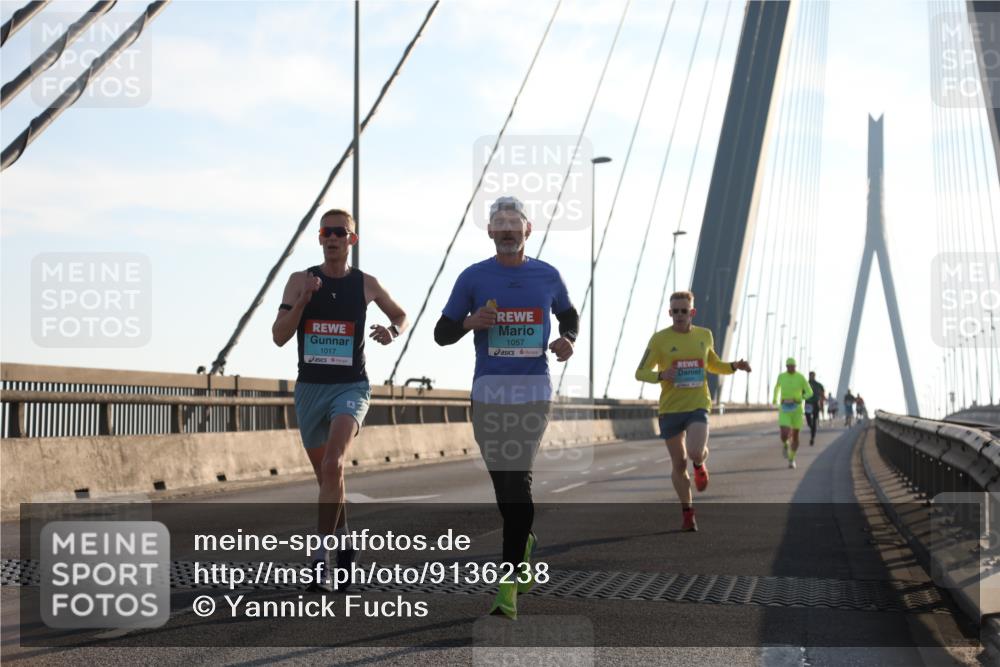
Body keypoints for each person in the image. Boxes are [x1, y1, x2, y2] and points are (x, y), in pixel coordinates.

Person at [435, 195, 578, 620]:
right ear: (491, 233)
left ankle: (508, 586)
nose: (508, 230)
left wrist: (568, 339)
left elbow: (569, 314)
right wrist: (468, 323)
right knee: (505, 490)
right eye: (500, 224)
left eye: (515, 223)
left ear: (528, 231)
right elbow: (441, 334)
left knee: (519, 484)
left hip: (532, 393)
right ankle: (525, 544)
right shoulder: (473, 277)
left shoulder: (547, 275)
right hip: (488, 396)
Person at [272, 208, 408, 593]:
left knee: (334, 463)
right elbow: (279, 336)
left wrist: (392, 332)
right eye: (326, 232)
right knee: (328, 477)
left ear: (352, 240)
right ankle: (346, 543)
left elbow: (401, 315)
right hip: (310, 389)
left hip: (351, 387)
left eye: (340, 232)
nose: (333, 238)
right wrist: (302, 302)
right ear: (320, 239)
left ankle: (319, 562)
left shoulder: (366, 284)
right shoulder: (300, 280)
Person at [635, 290, 751, 532]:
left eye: (683, 311)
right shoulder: (659, 340)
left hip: (698, 404)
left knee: (695, 451)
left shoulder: (704, 336)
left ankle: (700, 464)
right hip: (670, 409)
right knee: (678, 464)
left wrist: (733, 366)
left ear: (692, 313)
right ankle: (687, 512)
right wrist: (661, 375)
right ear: (669, 313)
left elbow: (713, 364)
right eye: (674, 311)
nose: (679, 315)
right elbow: (640, 372)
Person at [772, 358, 813, 469]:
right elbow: (777, 388)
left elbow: (810, 392)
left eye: (793, 366)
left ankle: (791, 459)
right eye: (789, 366)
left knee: (795, 437)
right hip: (785, 408)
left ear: (795, 366)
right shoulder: (781, 376)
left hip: (797, 410)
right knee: (784, 433)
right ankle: (786, 445)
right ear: (786, 367)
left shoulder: (800, 377)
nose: (791, 368)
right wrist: (775, 399)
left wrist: (801, 398)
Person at [804, 371, 825, 446]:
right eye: (810, 376)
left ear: (815, 376)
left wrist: (822, 402)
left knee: (815, 421)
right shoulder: (805, 384)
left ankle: (812, 438)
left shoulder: (818, 385)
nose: (812, 377)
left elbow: (822, 394)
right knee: (809, 421)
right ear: (809, 376)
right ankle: (811, 426)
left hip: (815, 404)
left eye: (813, 376)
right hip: (808, 403)